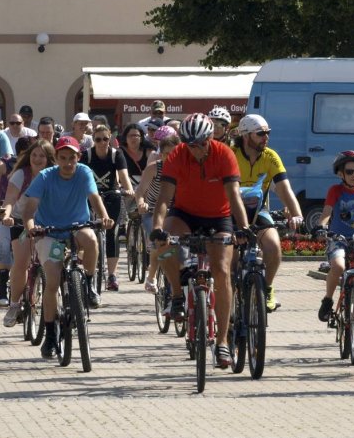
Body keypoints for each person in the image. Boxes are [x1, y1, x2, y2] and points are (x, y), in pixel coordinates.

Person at [149, 113, 250, 368]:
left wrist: (244, 228)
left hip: (219, 216)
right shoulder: (176, 156)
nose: (198, 149)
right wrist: (158, 227)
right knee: (164, 244)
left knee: (223, 270)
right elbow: (163, 199)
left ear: (210, 138)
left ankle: (223, 341)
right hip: (185, 214)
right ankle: (176, 294)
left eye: (203, 142)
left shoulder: (224, 154)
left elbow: (234, 195)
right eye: (192, 145)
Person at [22, 136, 114, 359]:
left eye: (72, 157)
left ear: (78, 157)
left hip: (76, 227)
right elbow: (29, 208)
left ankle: (90, 285)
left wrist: (104, 217)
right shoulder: (45, 176)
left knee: (91, 240)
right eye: (62, 158)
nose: (67, 163)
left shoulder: (83, 172)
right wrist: (31, 226)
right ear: (57, 159)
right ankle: (51, 335)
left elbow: (94, 198)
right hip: (49, 232)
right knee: (52, 282)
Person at [231, 114, 304, 311]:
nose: (266, 137)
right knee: (231, 260)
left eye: (268, 133)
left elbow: (284, 188)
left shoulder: (270, 156)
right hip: (230, 212)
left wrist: (297, 214)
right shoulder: (231, 154)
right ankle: (229, 301)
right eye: (260, 133)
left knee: (273, 247)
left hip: (257, 211)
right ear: (246, 136)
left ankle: (267, 287)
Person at [316, 151, 354, 338]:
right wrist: (321, 226)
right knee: (338, 266)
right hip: (338, 237)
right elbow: (327, 212)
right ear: (340, 174)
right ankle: (328, 300)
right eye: (349, 171)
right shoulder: (335, 191)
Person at [0, 139, 56, 326]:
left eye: (42, 156)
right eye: (34, 155)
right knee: (21, 262)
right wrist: (6, 215)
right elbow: (9, 200)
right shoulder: (21, 175)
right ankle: (14, 304)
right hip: (20, 222)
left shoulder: (54, 175)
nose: (37, 159)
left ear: (49, 159)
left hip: (46, 223)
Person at [81, 124, 134, 291]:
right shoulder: (87, 156)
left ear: (110, 137)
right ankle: (86, 269)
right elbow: (80, 175)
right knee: (86, 229)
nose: (102, 142)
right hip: (91, 196)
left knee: (113, 232)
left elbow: (123, 175)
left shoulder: (116, 154)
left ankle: (112, 275)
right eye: (98, 139)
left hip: (112, 194)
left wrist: (129, 189)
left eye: (105, 139)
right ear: (93, 140)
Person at [134, 129, 180, 292]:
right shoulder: (154, 168)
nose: (169, 157)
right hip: (152, 212)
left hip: (175, 213)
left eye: (173, 153)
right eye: (165, 153)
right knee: (158, 241)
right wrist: (141, 203)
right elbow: (140, 191)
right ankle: (151, 276)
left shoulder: (182, 170)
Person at [0, 137, 32, 306]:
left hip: (31, 215)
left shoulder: (39, 167)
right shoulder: (5, 163)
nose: (27, 160)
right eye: (24, 155)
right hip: (7, 213)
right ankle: (2, 290)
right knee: (5, 247)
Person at [120, 123, 155, 190]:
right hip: (126, 189)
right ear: (125, 138)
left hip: (146, 189)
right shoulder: (120, 152)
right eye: (130, 135)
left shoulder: (149, 152)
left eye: (136, 135)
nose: (133, 138)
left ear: (141, 138)